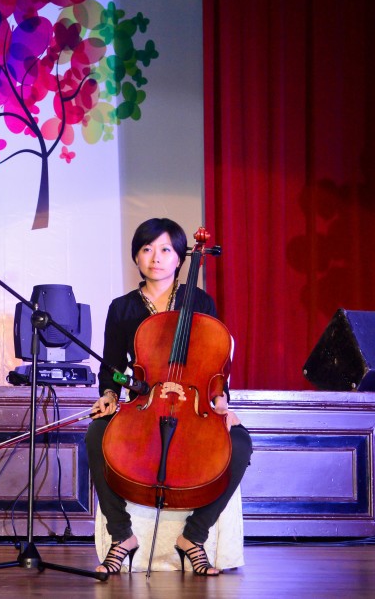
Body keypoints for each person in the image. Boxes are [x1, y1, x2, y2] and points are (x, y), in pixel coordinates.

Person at [84, 217, 252, 576]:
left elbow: (215, 364)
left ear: (180, 258)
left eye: (165, 250)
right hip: (143, 401)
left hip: (195, 404)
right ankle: (122, 536)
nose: (154, 257)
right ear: (136, 257)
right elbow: (112, 365)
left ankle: (194, 535)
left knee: (240, 443)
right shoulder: (122, 308)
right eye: (146, 249)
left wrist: (221, 403)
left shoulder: (201, 301)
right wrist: (111, 394)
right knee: (96, 434)